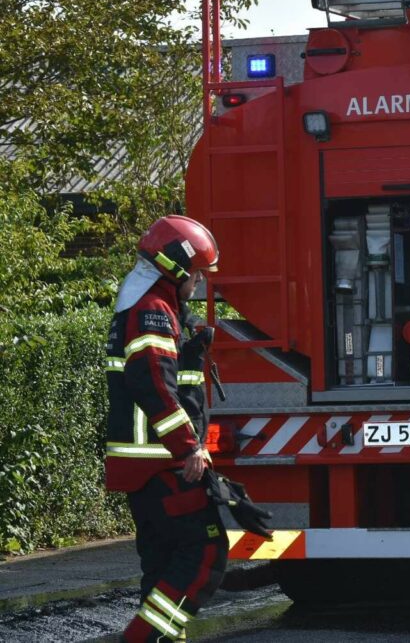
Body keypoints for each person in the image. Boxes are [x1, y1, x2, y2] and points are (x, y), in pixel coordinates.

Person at [104, 215, 226, 642]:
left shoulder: (149, 306)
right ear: (174, 268)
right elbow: (153, 383)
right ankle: (139, 639)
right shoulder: (152, 311)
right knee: (205, 553)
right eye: (196, 273)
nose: (199, 281)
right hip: (161, 462)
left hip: (147, 466)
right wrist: (188, 446)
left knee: (162, 567)